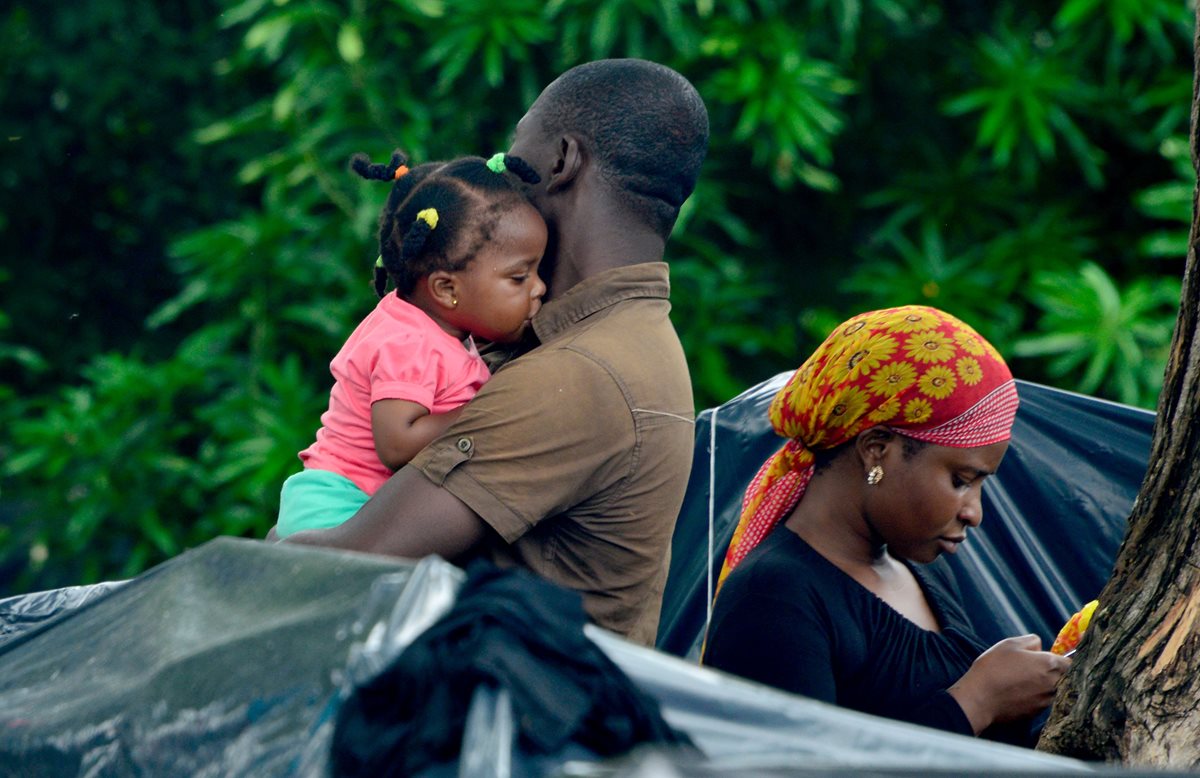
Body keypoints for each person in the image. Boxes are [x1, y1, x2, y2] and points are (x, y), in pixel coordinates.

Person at [280, 59, 710, 647]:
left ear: (560, 160)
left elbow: (337, 567)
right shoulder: (612, 342)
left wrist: (261, 556)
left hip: (515, 721)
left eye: (512, 154)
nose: (499, 175)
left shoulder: (579, 373)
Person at [702, 305, 1071, 744]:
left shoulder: (919, 569)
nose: (975, 512)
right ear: (877, 449)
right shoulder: (772, 597)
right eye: (961, 481)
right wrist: (977, 700)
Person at [274, 152, 547, 537]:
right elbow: (397, 443)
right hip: (336, 509)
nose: (540, 288)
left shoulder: (433, 326)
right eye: (519, 277)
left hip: (360, 504)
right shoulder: (410, 342)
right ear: (446, 288)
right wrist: (493, 408)